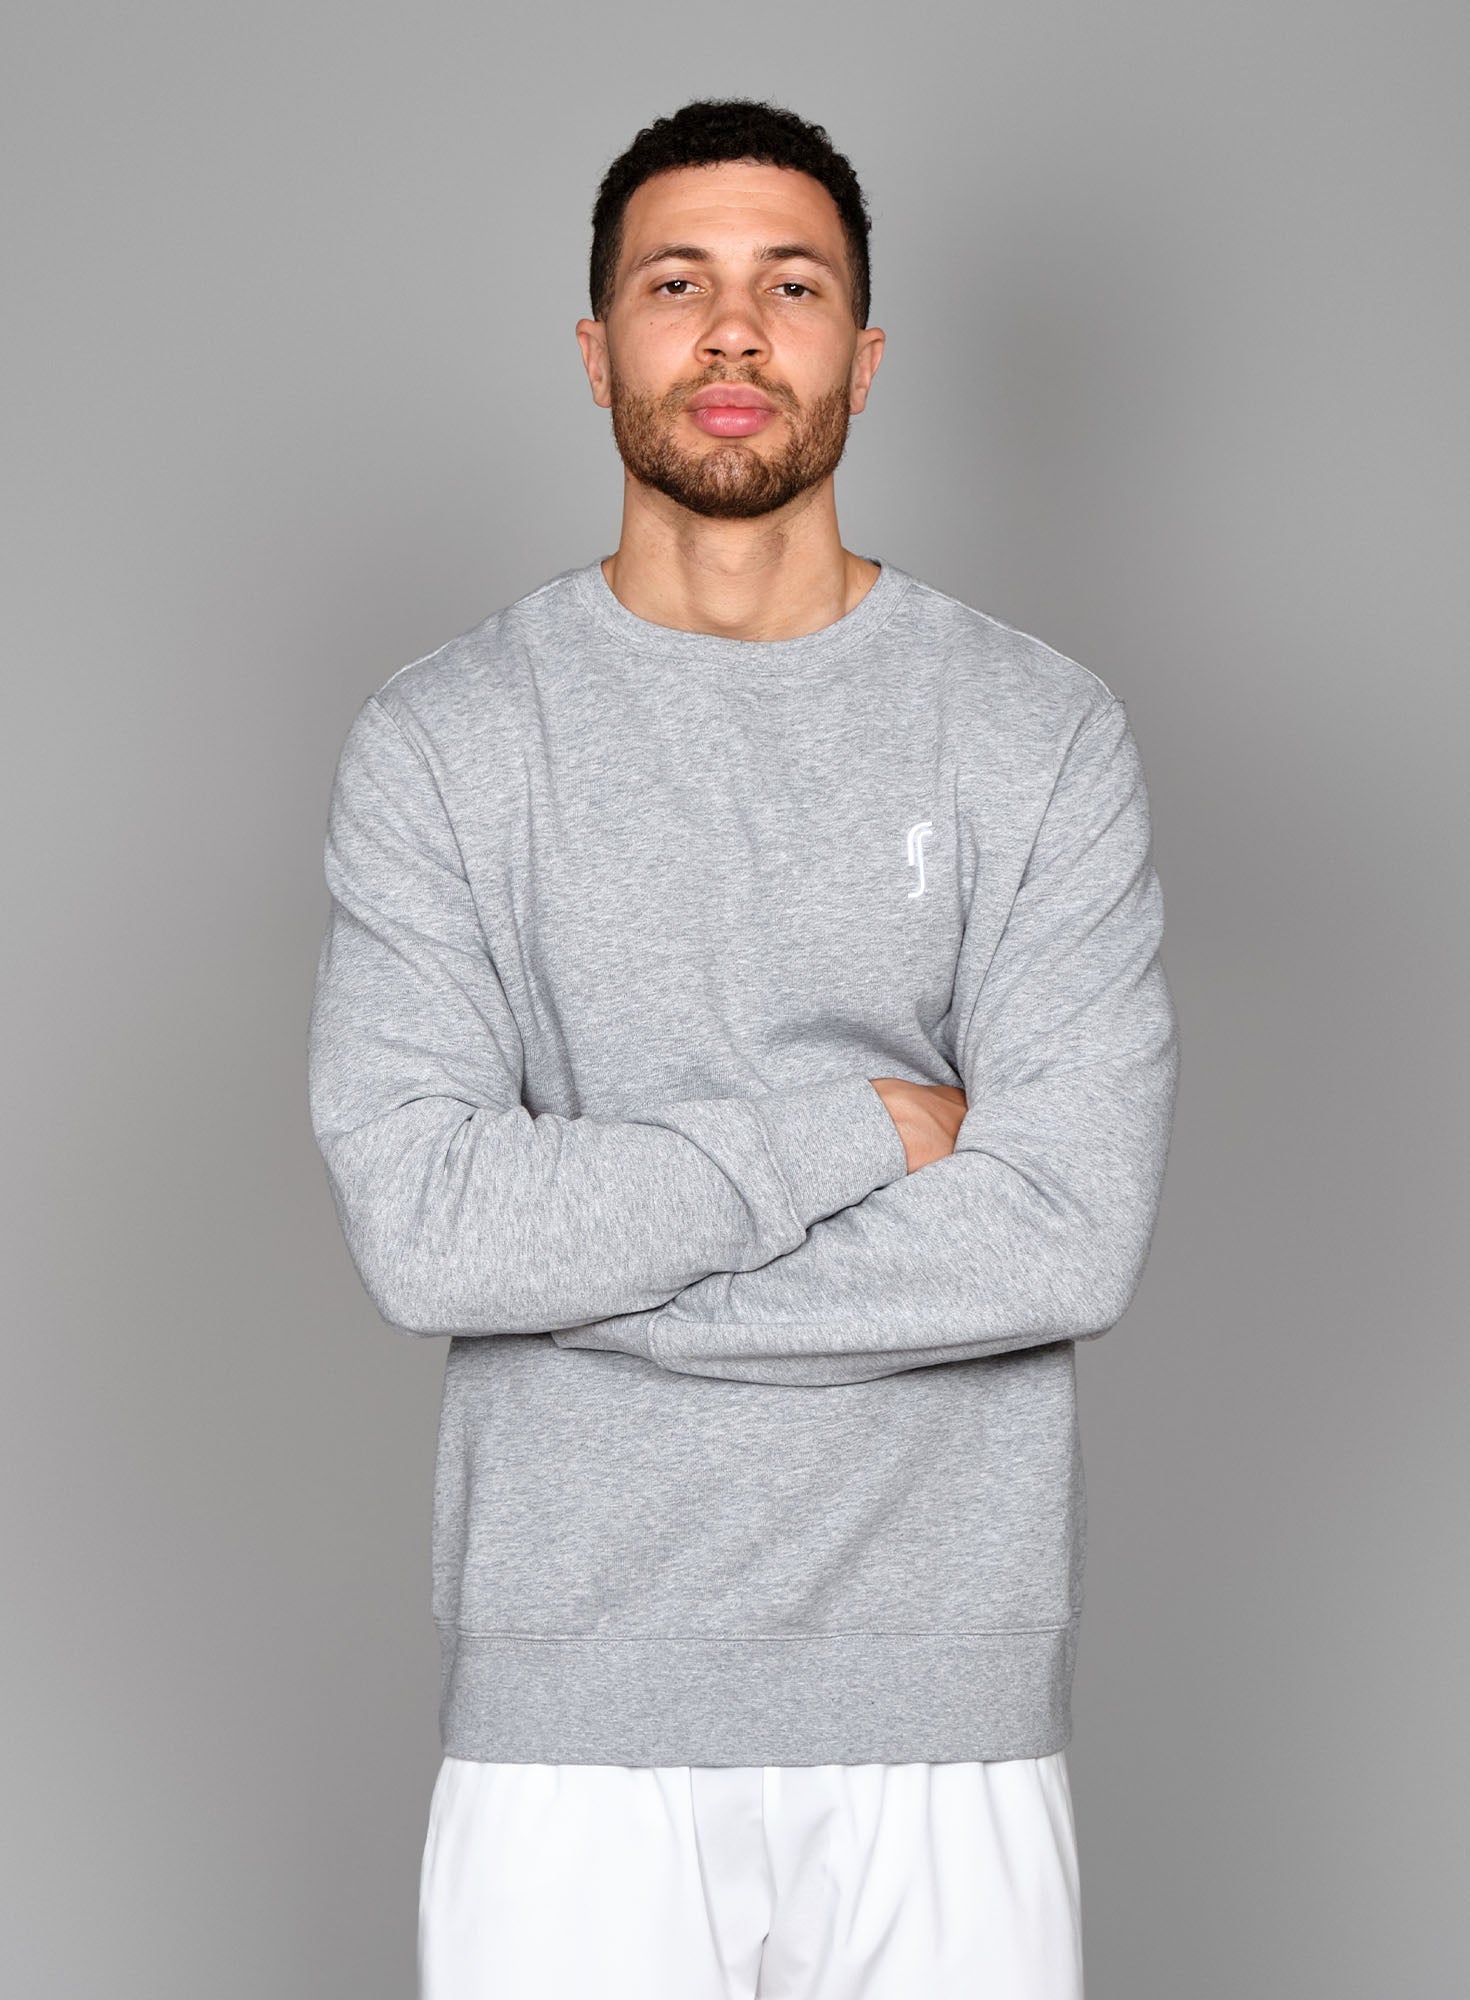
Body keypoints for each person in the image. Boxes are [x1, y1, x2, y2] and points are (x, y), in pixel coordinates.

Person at [307, 96, 1179, 2000]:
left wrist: (589, 1273)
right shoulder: (448, 741)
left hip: (941, 1702)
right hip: (568, 1712)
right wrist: (856, 1132)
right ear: (595, 347)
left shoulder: (1033, 734)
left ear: (861, 356)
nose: (730, 332)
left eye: (790, 287)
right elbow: (435, 1234)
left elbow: (1062, 1234)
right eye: (673, 283)